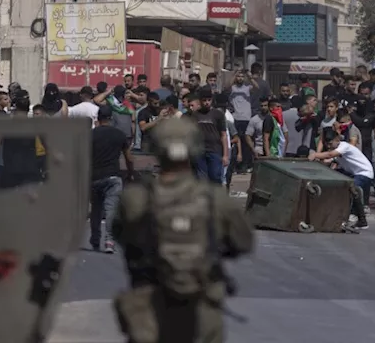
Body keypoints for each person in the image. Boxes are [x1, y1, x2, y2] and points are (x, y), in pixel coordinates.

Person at [111, 116, 254, 343]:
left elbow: (119, 234)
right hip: (201, 308)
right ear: (195, 147)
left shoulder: (135, 198)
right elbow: (243, 242)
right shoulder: (215, 199)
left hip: (149, 308)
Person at [308, 126, 373, 230]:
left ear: (337, 140)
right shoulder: (336, 151)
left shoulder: (344, 146)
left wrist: (315, 154)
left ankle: (360, 219)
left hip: (364, 172)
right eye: (327, 144)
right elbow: (327, 161)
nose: (329, 146)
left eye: (330, 144)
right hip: (354, 173)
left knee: (352, 189)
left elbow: (329, 155)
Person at [92, 105, 137, 252]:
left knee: (96, 210)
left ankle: (95, 238)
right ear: (111, 119)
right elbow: (129, 158)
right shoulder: (119, 135)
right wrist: (131, 173)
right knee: (111, 209)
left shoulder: (90, 135)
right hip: (113, 176)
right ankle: (109, 241)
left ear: (98, 119)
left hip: (94, 177)